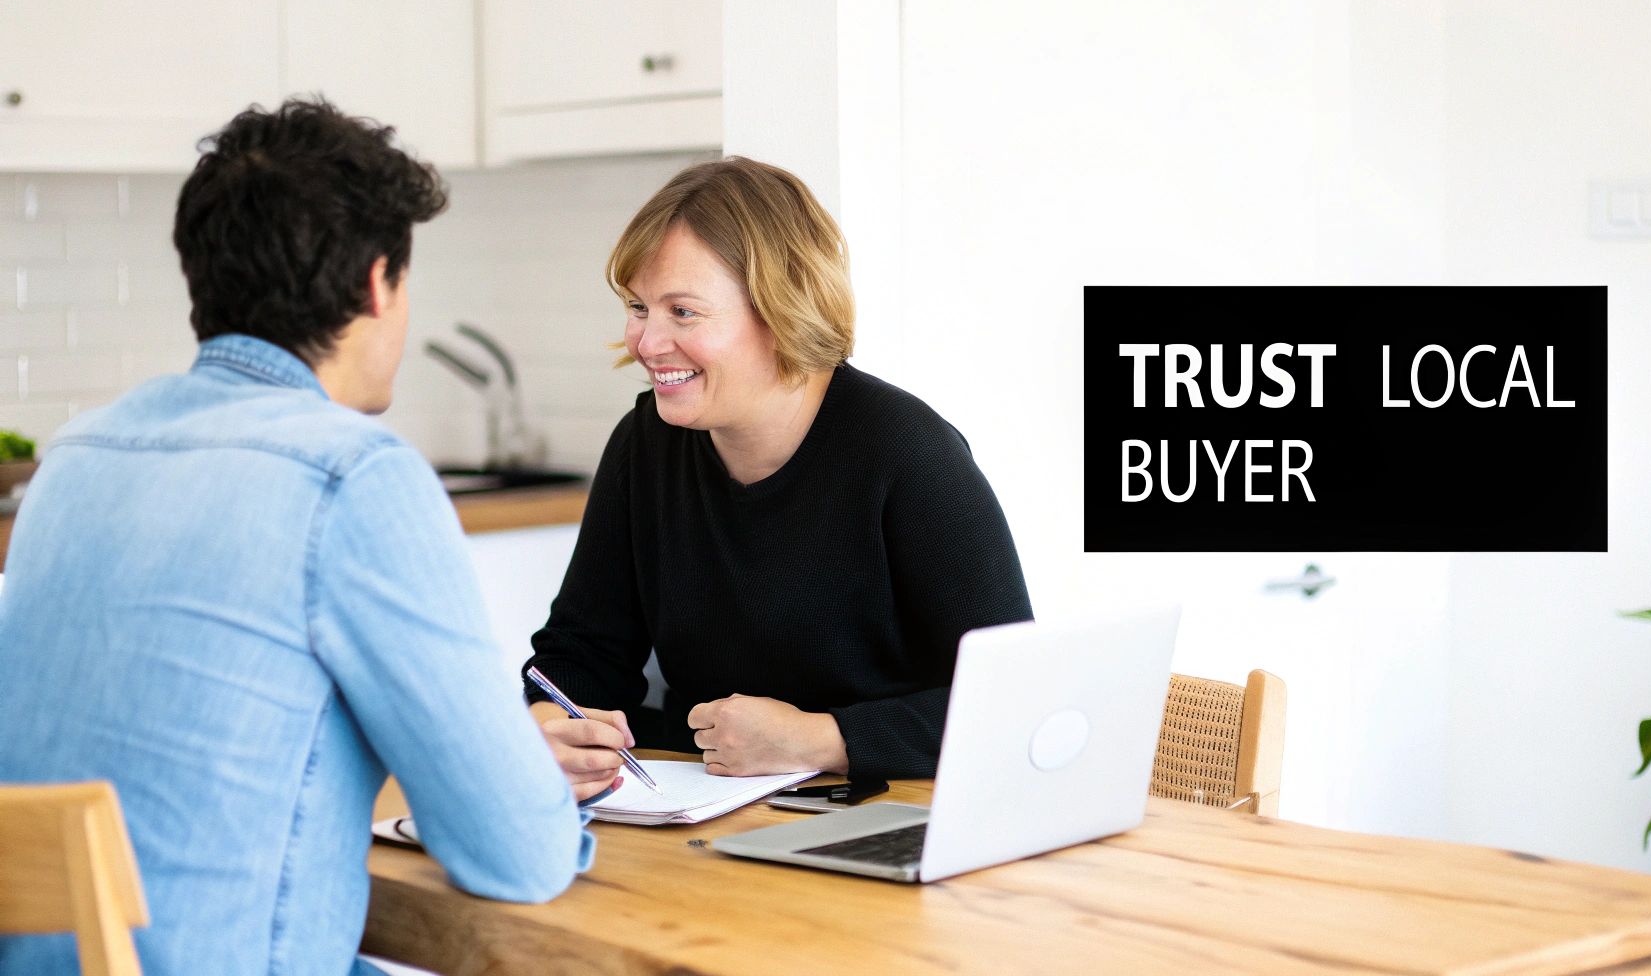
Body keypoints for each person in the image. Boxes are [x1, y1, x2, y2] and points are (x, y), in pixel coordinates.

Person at [0, 98, 599, 976]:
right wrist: (516, 785)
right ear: (376, 286)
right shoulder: (352, 476)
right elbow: (517, 856)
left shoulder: (79, 456)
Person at [523, 157, 1032, 786]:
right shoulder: (644, 446)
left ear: (781, 309)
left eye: (683, 312)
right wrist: (552, 726)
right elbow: (581, 655)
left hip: (893, 818)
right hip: (704, 815)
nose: (646, 343)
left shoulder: (908, 454)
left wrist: (822, 739)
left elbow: (1015, 702)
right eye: (638, 307)